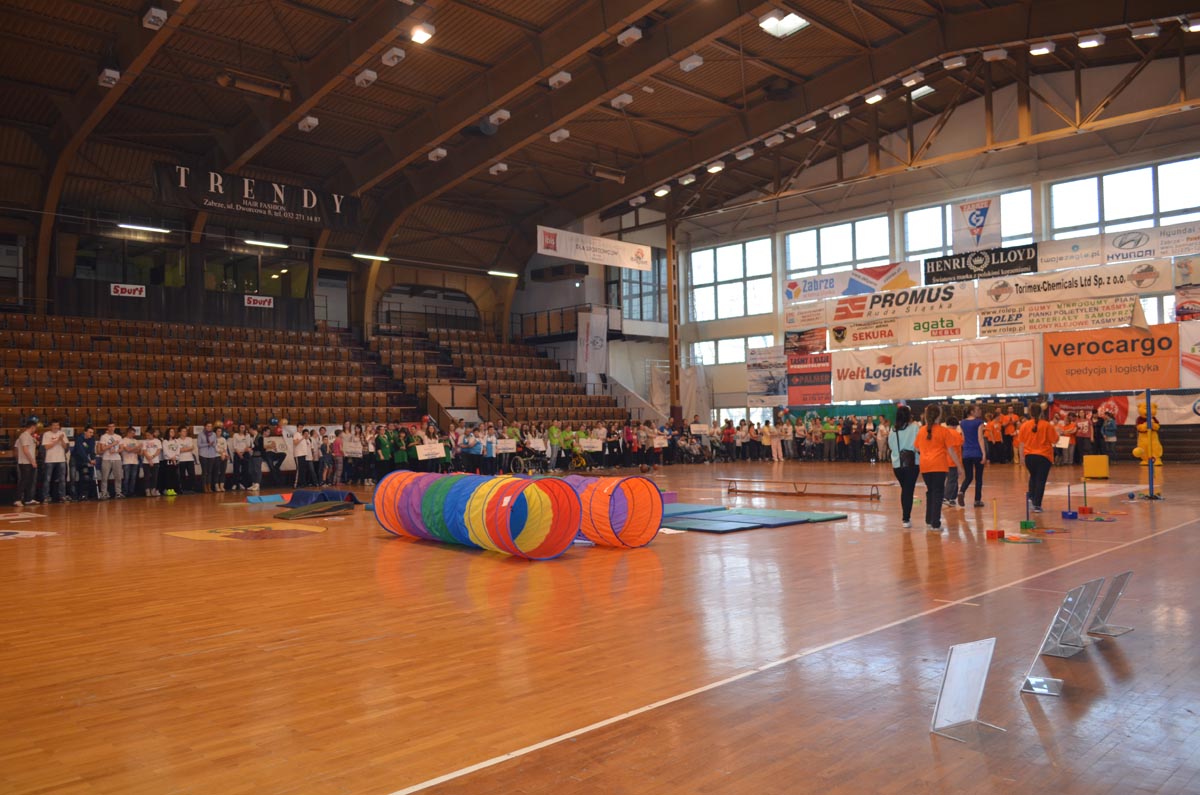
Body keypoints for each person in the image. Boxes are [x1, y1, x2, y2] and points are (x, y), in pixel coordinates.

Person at [913, 404, 962, 532]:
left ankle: (929, 521)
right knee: (938, 494)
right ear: (939, 416)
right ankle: (936, 523)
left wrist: (926, 453)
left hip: (925, 466)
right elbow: (951, 451)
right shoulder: (943, 431)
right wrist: (959, 466)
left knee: (930, 492)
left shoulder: (922, 430)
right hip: (939, 465)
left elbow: (916, 448)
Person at [1017, 403, 1059, 513]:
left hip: (1029, 457)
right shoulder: (1047, 425)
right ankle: (1037, 504)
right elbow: (1055, 440)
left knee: (1033, 477)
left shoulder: (1024, 425)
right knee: (1040, 480)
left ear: (1030, 413)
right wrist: (1057, 433)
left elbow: (1021, 443)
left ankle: (1031, 499)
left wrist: (1021, 458)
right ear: (1041, 413)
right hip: (1044, 456)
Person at [888, 406, 920, 529]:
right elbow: (918, 445)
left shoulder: (893, 430)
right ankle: (906, 519)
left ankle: (906, 518)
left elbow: (891, 446)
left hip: (897, 465)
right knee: (908, 491)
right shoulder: (915, 427)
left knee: (905, 489)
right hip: (912, 463)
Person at [957, 405, 988, 507]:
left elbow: (963, 439)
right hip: (977, 452)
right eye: (977, 410)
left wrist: (963, 451)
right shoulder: (979, 422)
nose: (980, 411)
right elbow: (980, 438)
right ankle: (977, 500)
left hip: (966, 453)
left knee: (968, 476)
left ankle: (961, 491)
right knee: (978, 478)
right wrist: (984, 453)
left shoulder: (962, 423)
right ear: (971, 412)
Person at [41, 420, 69, 504]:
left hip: (61, 459)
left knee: (62, 479)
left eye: (57, 425)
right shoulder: (46, 434)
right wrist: (57, 440)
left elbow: (65, 447)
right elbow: (46, 447)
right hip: (49, 459)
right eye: (54, 425)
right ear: (51, 426)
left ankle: (62, 496)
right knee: (47, 479)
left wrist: (61, 440)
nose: (56, 427)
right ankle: (46, 497)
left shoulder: (62, 434)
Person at [14, 419, 39, 507]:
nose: (35, 429)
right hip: (25, 462)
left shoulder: (30, 436)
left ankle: (28, 499)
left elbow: (33, 446)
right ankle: (17, 499)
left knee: (30, 481)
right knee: (24, 481)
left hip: (30, 462)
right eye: (35, 427)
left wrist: (36, 441)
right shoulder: (24, 436)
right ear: (32, 427)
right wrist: (32, 461)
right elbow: (25, 450)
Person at [70, 426, 97, 501]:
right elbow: (80, 451)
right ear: (85, 432)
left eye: (92, 432)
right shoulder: (79, 438)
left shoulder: (92, 439)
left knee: (85, 476)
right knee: (73, 477)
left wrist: (93, 459)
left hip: (84, 460)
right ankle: (73, 496)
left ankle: (83, 495)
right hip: (75, 459)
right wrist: (89, 461)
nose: (91, 434)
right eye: (90, 432)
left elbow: (91, 450)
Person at [97, 422, 123, 499]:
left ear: (115, 427)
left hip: (117, 458)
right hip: (106, 458)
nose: (111, 428)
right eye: (110, 427)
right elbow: (102, 448)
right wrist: (112, 444)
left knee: (118, 476)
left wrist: (115, 451)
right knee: (104, 477)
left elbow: (121, 448)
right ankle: (104, 493)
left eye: (113, 426)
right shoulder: (104, 437)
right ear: (107, 428)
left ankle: (118, 492)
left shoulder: (118, 437)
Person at [943, 416, 962, 508]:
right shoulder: (956, 434)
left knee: (952, 480)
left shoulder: (943, 432)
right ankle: (946, 497)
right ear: (955, 425)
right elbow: (960, 444)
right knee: (952, 480)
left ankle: (952, 498)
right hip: (953, 461)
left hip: (943, 460)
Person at [197, 421, 221, 493]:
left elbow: (215, 444)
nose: (209, 427)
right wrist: (207, 444)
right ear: (205, 427)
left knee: (210, 472)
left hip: (212, 454)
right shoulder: (201, 434)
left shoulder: (214, 434)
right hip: (203, 455)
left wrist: (212, 444)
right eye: (208, 426)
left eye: (210, 426)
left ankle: (209, 487)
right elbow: (199, 445)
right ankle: (204, 487)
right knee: (205, 472)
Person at [118, 427, 141, 499]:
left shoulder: (136, 441)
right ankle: (125, 492)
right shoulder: (123, 440)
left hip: (135, 461)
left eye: (134, 433)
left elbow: (139, 452)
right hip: (126, 461)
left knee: (133, 478)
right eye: (132, 433)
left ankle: (131, 492)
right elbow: (127, 450)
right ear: (128, 433)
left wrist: (133, 449)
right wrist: (136, 448)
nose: (133, 435)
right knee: (126, 478)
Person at [141, 429, 162, 497]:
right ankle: (147, 490)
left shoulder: (157, 441)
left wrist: (152, 457)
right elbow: (144, 451)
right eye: (146, 435)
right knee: (146, 477)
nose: (147, 436)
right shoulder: (144, 442)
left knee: (154, 476)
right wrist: (149, 459)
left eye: (148, 435)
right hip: (146, 461)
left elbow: (158, 450)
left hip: (155, 461)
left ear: (152, 434)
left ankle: (153, 489)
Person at [161, 426, 181, 496]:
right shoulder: (165, 441)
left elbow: (178, 450)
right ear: (168, 433)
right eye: (171, 431)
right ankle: (168, 490)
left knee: (174, 476)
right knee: (169, 476)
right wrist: (171, 458)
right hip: (168, 460)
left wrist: (175, 457)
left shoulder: (176, 441)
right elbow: (165, 451)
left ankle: (173, 489)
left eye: (173, 432)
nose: (172, 433)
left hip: (175, 460)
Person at [177, 425, 197, 494]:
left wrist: (183, 449)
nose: (185, 432)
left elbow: (192, 448)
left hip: (190, 459)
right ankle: (183, 489)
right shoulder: (177, 440)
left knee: (192, 474)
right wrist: (187, 448)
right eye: (183, 431)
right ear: (179, 432)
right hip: (181, 459)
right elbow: (178, 450)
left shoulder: (189, 439)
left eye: (186, 431)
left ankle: (191, 488)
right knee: (182, 475)